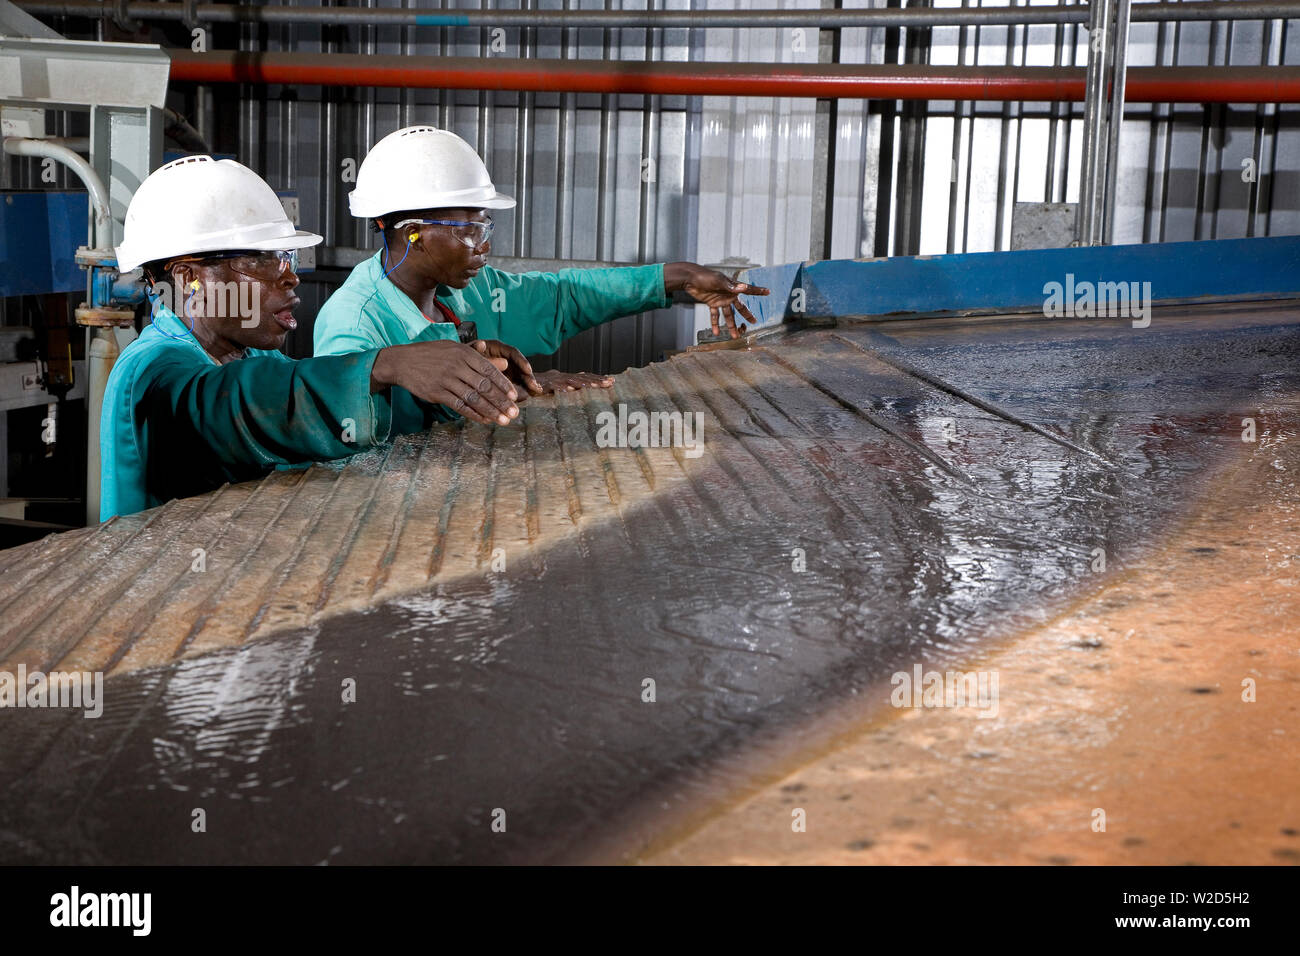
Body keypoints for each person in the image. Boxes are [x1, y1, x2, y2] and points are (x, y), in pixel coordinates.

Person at [102, 155, 541, 520]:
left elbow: (316, 419)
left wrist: (456, 385)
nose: (291, 276)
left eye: (287, 255)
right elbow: (237, 404)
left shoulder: (249, 355)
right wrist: (386, 364)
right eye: (263, 259)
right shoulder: (153, 370)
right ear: (189, 278)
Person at [313, 126, 769, 435]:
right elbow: (350, 442)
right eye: (469, 229)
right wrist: (489, 393)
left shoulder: (470, 290)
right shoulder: (354, 324)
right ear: (413, 231)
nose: (483, 244)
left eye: (484, 225)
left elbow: (564, 297)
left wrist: (678, 277)